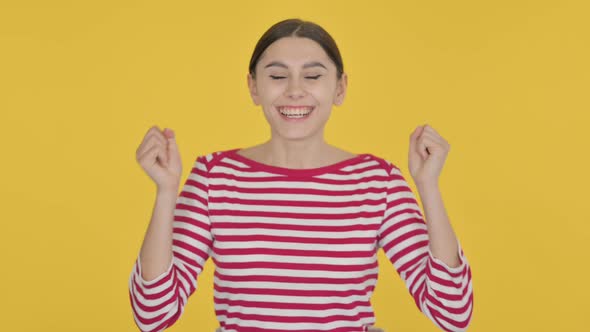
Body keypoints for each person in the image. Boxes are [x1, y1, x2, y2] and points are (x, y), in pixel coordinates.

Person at [129, 18, 474, 332]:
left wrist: (428, 185)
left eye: (313, 75)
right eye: (277, 76)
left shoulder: (377, 182)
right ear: (253, 87)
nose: (295, 90)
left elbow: (453, 312)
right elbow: (152, 314)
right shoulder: (213, 177)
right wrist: (165, 192)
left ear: (340, 88)